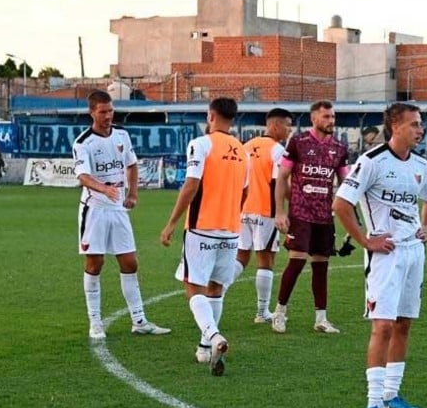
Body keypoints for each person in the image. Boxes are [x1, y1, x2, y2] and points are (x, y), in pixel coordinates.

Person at [333, 102, 427, 408]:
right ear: (396, 127)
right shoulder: (371, 162)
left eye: (421, 125)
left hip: (413, 253)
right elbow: (340, 205)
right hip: (385, 257)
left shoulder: (422, 164)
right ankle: (373, 402)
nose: (420, 130)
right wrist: (366, 241)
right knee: (383, 327)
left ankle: (392, 395)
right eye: (415, 124)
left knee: (404, 324)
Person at [159, 97, 250, 376]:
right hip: (231, 230)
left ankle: (213, 336)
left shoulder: (201, 144)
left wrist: (171, 223)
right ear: (232, 118)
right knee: (216, 288)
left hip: (201, 228)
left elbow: (191, 185)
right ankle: (203, 348)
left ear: (211, 115)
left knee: (193, 286)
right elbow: (244, 192)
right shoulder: (243, 151)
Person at [74, 91, 169, 340]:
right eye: (102, 111)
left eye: (110, 110)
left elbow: (132, 164)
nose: (108, 115)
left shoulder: (122, 135)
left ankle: (139, 321)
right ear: (92, 112)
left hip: (118, 210)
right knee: (95, 264)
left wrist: (133, 194)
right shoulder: (83, 143)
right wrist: (104, 188)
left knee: (129, 262)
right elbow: (82, 176)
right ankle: (95, 322)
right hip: (94, 209)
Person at [273, 100, 350, 335]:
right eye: (326, 117)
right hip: (301, 213)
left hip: (324, 216)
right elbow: (282, 176)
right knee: (296, 262)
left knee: (321, 266)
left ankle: (321, 318)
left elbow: (346, 183)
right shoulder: (298, 142)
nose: (331, 121)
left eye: (333, 117)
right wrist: (280, 211)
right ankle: (279, 312)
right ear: (314, 118)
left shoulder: (339, 147)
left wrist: (349, 217)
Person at [237, 108, 294, 323]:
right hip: (266, 210)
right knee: (266, 259)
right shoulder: (278, 150)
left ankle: (216, 291)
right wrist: (294, 202)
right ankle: (262, 313)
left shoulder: (246, 147)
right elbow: (278, 182)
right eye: (288, 125)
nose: (290, 130)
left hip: (243, 210)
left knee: (241, 257)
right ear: (275, 126)